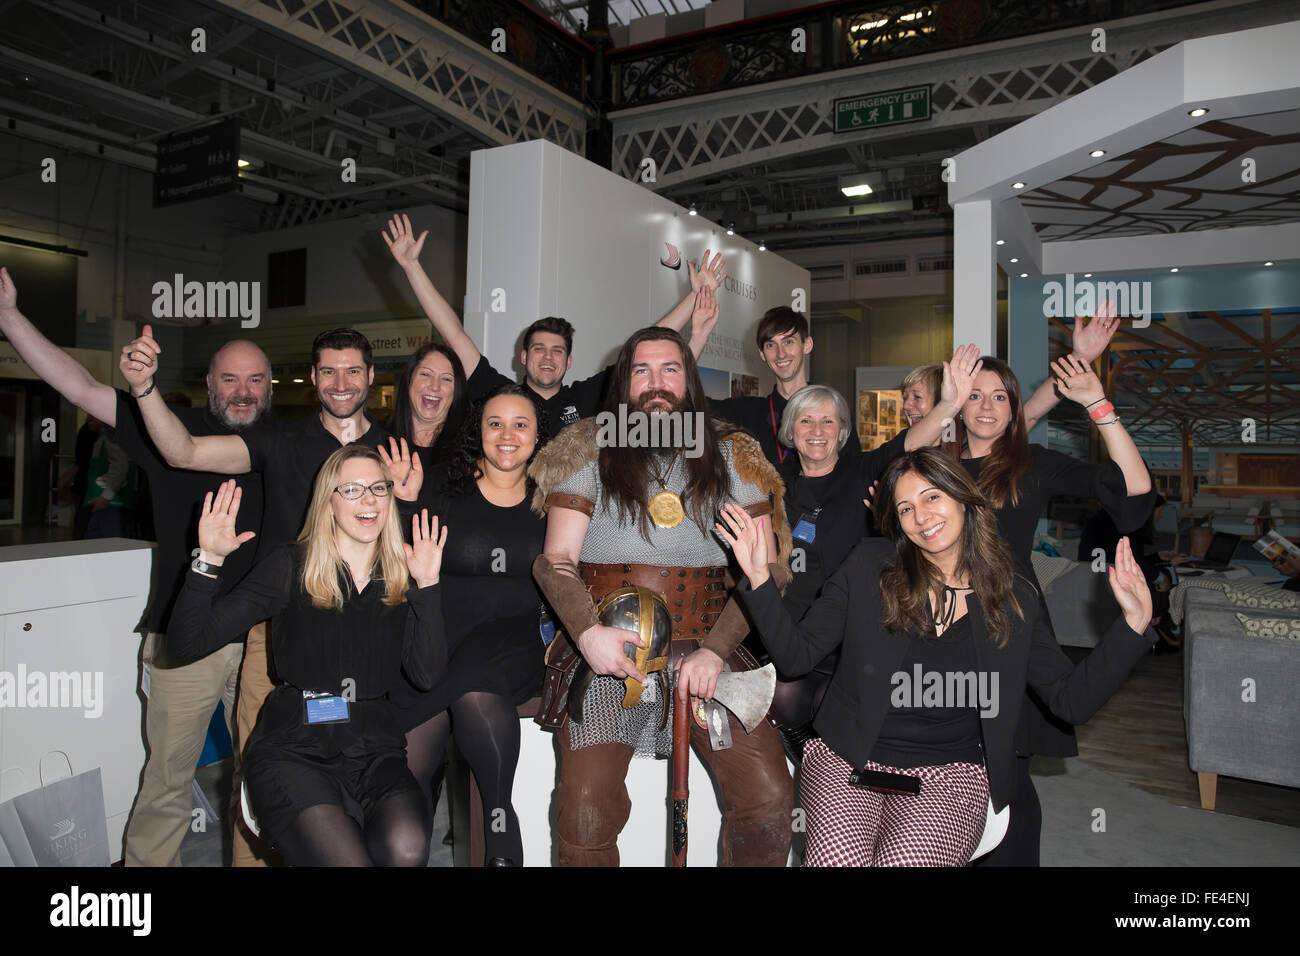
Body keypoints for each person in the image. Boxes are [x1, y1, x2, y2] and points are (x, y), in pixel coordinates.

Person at [719, 449, 1155, 866]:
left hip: (949, 773)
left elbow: (1069, 700)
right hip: (846, 759)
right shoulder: (869, 566)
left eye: (932, 497)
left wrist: (1132, 627)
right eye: (905, 508)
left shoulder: (1012, 595)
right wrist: (759, 579)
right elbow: (796, 658)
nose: (921, 517)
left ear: (965, 498)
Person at [0, 266, 273, 868]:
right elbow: (77, 385)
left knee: (265, 774)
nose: (244, 391)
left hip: (262, 637)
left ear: (271, 386)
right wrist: (10, 318)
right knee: (168, 778)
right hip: (183, 632)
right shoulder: (164, 429)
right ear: (208, 384)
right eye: (231, 379)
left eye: (256, 380)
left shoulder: (285, 442)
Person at [120, 324, 391, 865]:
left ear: (371, 376)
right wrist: (144, 388)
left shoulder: (393, 448)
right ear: (312, 378)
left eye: (353, 370)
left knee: (349, 780)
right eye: (329, 371)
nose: (341, 383)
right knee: (256, 775)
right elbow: (184, 450)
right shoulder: (281, 441)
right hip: (278, 637)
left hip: (366, 636)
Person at [529, 326, 794, 866]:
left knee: (768, 799)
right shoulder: (586, 446)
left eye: (669, 369)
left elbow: (767, 570)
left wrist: (715, 650)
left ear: (688, 377)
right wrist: (588, 635)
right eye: (641, 371)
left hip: (708, 648)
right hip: (606, 650)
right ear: (624, 382)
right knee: (583, 811)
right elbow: (555, 560)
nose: (656, 383)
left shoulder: (734, 455)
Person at [167, 448, 448, 865]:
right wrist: (208, 560)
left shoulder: (400, 574)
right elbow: (184, 645)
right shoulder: (291, 565)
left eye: (377, 488)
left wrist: (427, 586)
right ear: (328, 501)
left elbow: (426, 676)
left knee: (407, 847)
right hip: (294, 745)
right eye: (351, 489)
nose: (368, 500)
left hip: (375, 748)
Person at [946, 353, 1155, 866]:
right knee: (944, 762)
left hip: (1007, 622)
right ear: (957, 403)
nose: (987, 407)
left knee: (1008, 775)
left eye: (1000, 396)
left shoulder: (1030, 464)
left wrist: (1099, 406)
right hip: (939, 625)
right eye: (975, 395)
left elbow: (1134, 492)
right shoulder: (936, 463)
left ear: (1015, 407)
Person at [764, 349, 982, 759]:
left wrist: (951, 403)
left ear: (842, 431)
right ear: (790, 432)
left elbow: (913, 440)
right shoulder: (772, 490)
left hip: (857, 637)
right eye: (806, 421)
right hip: (795, 635)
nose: (817, 430)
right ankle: (808, 773)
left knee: (841, 710)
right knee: (783, 700)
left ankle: (833, 774)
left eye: (828, 420)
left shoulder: (867, 472)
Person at [381, 384, 549, 866]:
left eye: (521, 424)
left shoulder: (554, 498)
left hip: (518, 644)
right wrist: (406, 503)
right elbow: (409, 558)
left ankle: (500, 834)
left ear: (538, 436)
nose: (507, 435)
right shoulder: (440, 485)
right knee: (407, 772)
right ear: (479, 431)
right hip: (441, 642)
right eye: (495, 423)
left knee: (475, 690)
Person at [383, 213, 725, 431]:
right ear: (523, 357)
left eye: (557, 352)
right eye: (539, 349)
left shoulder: (588, 397)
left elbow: (649, 347)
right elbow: (452, 332)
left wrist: (694, 297)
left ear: (569, 361)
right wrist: (412, 267)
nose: (548, 358)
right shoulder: (499, 393)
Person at [695, 297, 861, 469]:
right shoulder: (747, 414)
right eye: (771, 345)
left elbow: (855, 474)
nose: (781, 354)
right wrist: (698, 336)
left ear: (807, 345)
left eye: (788, 342)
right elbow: (686, 402)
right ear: (762, 354)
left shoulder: (833, 415)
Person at [899, 304, 1121, 431]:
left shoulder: (969, 442)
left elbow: (1032, 412)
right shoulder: (905, 450)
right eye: (905, 396)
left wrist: (1079, 357)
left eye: (917, 397)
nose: (907, 405)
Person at [384, 342, 470, 473]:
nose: (435, 386)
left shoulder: (470, 450)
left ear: (457, 390)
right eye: (425, 374)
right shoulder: (380, 441)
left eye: (446, 379)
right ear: (409, 380)